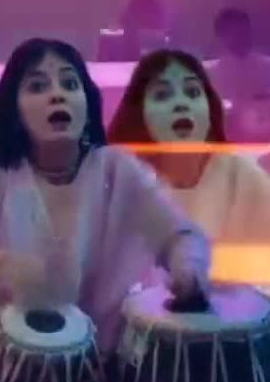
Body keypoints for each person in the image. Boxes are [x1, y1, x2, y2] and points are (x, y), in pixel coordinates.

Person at [0, 38, 210, 357]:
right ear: (14, 110)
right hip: (4, 359)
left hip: (110, 358)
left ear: (87, 101)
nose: (58, 94)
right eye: (38, 86)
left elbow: (179, 235)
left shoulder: (118, 169)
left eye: (70, 84)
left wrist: (187, 269)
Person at [108, 49, 270, 282]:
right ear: (139, 113)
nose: (181, 104)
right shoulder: (121, 183)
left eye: (192, 92)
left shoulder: (243, 176)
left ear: (210, 108)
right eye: (162, 95)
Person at [207, 8, 270, 104]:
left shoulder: (267, 67)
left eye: (244, 32)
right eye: (234, 33)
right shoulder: (210, 74)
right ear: (220, 36)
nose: (240, 38)